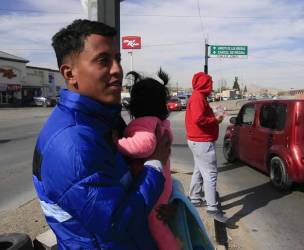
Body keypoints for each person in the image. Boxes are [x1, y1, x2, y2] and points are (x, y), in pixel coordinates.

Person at [32, 19, 169, 249]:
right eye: (103, 60)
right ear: (70, 73)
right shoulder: (73, 144)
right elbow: (117, 222)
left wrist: (160, 200)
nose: (117, 70)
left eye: (118, 59)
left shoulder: (102, 119)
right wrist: (156, 166)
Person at [116, 69, 180, 250]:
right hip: (160, 183)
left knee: (156, 225)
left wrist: (116, 144)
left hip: (155, 188)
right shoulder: (158, 122)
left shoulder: (146, 122)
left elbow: (145, 145)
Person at [185, 72, 228, 223]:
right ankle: (212, 208)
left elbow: (201, 117)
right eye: (210, 83)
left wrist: (215, 116)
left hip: (198, 141)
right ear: (205, 84)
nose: (212, 86)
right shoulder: (198, 98)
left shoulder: (198, 97)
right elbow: (199, 119)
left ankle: (195, 198)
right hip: (202, 142)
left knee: (198, 170)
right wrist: (216, 119)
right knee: (210, 174)